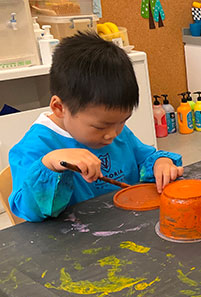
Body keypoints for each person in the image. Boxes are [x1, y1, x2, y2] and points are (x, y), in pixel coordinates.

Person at [9, 32, 183, 222]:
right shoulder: (33, 147)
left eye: (123, 121)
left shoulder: (115, 131)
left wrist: (161, 164)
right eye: (101, 126)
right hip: (76, 242)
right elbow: (29, 211)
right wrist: (51, 164)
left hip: (128, 225)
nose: (113, 135)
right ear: (60, 108)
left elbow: (146, 157)